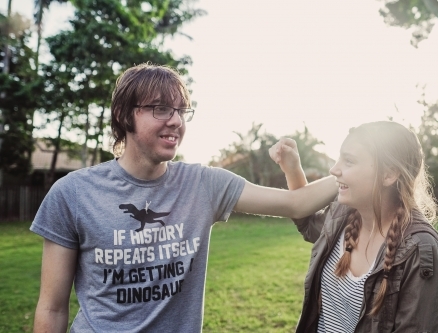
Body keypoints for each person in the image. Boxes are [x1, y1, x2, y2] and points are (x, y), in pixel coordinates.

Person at [30, 63, 338, 333]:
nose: (176, 121)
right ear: (125, 115)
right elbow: (52, 308)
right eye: (161, 109)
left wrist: (354, 167)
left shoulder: (204, 184)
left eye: (181, 111)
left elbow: (297, 204)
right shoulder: (73, 193)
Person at [269, 121, 438, 333]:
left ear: (388, 175)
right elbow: (306, 221)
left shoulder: (420, 250)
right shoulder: (341, 215)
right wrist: (293, 170)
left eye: (349, 161)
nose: (334, 169)